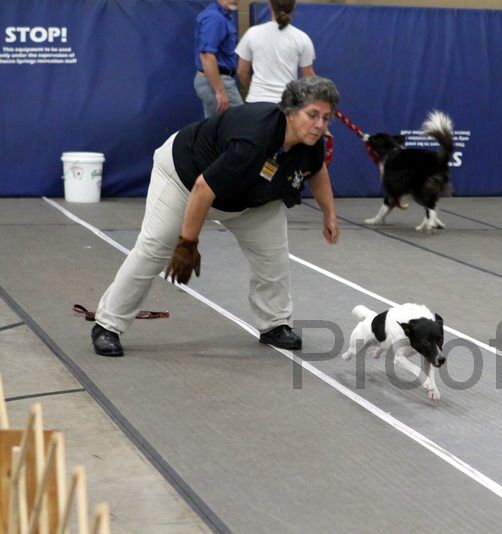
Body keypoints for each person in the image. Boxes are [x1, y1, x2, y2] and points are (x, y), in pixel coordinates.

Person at [90, 76, 340, 357]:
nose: (320, 125)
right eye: (312, 115)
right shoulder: (253, 137)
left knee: (273, 256)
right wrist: (187, 244)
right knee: (154, 247)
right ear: (290, 111)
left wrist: (329, 214)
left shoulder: (312, 140)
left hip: (249, 196)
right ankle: (107, 326)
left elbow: (316, 169)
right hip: (184, 179)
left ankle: (275, 324)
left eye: (326, 118)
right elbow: (202, 189)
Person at [235, 0, 316, 104]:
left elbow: (241, 71)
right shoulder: (302, 38)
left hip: (256, 101)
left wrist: (255, 91)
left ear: (270, 7)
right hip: (286, 104)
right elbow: (308, 77)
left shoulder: (252, 33)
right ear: (293, 9)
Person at [194, 0, 244, 118]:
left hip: (215, 80)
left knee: (215, 128)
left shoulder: (224, 16)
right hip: (216, 80)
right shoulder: (215, 17)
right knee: (242, 121)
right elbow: (206, 55)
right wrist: (220, 91)